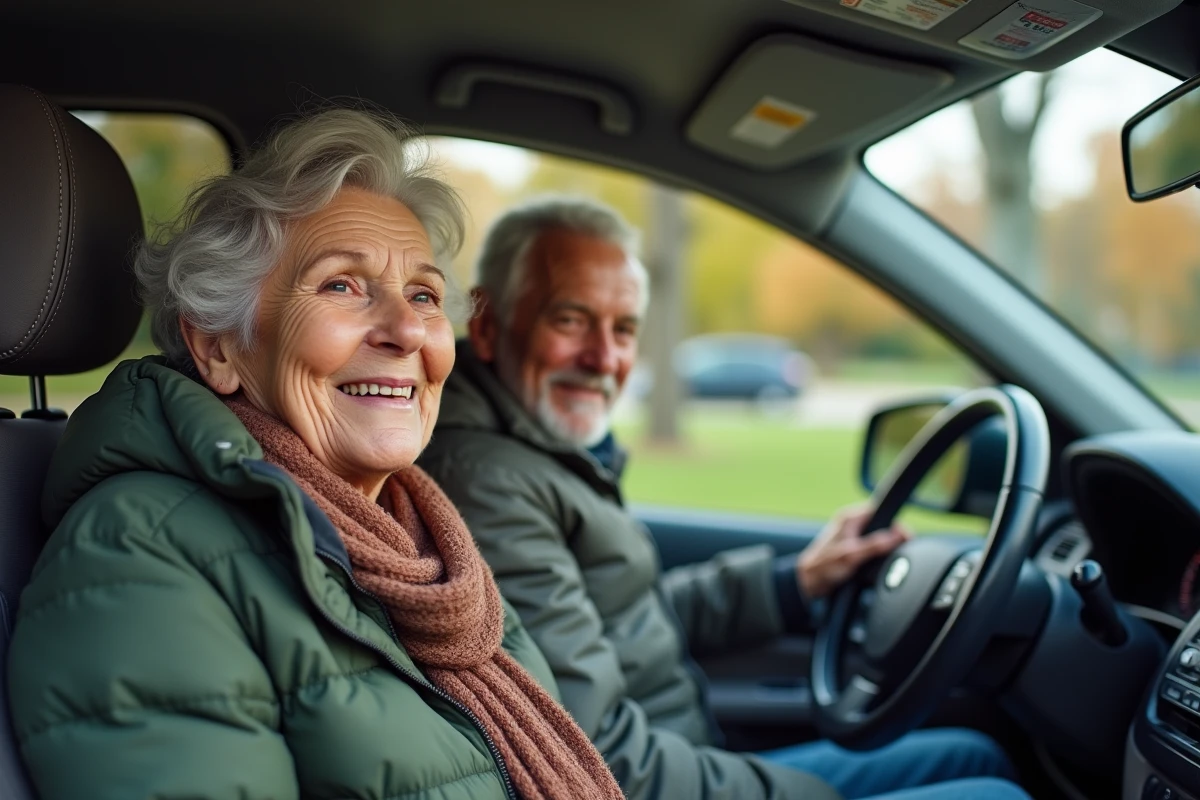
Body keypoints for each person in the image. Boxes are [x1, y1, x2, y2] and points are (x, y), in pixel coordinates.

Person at [7, 113, 625, 800]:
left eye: (423, 295)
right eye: (341, 285)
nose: (405, 330)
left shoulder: (425, 549)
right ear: (218, 346)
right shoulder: (138, 551)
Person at [418, 195, 1030, 800]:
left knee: (974, 753)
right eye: (571, 320)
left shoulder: (534, 451)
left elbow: (630, 619)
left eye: (624, 329)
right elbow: (597, 758)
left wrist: (795, 585)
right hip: (646, 775)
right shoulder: (486, 483)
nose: (604, 358)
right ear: (491, 327)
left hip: (683, 752)